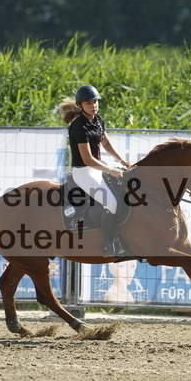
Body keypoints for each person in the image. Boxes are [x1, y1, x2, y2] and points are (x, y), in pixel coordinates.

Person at [59, 85, 132, 256]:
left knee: (128, 177)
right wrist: (111, 171)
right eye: (89, 103)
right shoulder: (79, 127)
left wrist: (121, 161)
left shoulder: (97, 119)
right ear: (80, 105)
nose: (94, 106)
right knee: (111, 203)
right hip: (84, 172)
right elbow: (87, 160)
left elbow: (105, 142)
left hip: (98, 165)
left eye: (95, 102)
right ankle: (108, 243)